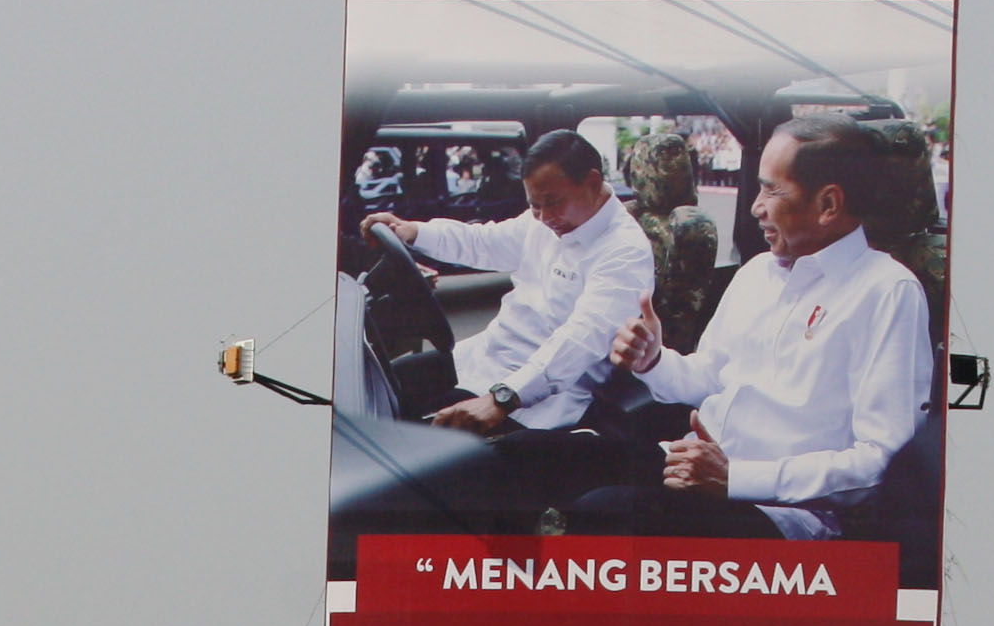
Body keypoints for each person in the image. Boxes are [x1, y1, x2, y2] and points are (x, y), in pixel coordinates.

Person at [574, 113, 938, 540]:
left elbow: (882, 461)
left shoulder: (887, 292)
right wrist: (652, 360)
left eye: (771, 190)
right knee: (542, 463)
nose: (755, 207)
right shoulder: (757, 272)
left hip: (782, 512)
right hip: (697, 467)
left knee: (600, 514)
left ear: (828, 205)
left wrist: (736, 476)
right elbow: (709, 376)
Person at [364, 130, 662, 449]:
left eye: (553, 203)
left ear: (592, 182)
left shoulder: (624, 252)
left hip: (539, 401)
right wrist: (414, 231)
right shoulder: (546, 219)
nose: (544, 218)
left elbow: (580, 339)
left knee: (401, 445)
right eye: (535, 205)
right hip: (485, 358)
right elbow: (484, 242)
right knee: (378, 386)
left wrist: (502, 399)